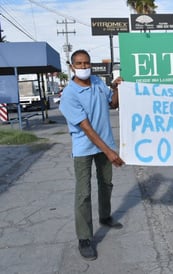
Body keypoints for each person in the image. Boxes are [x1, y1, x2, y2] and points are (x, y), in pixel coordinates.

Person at [59, 49, 125, 260]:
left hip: (104, 145)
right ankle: (84, 238)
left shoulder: (97, 82)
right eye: (79, 64)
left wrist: (117, 88)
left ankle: (105, 217)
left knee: (106, 184)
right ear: (72, 67)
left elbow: (113, 104)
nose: (84, 67)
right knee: (83, 193)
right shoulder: (68, 95)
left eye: (86, 63)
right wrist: (110, 151)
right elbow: (86, 128)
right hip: (84, 149)